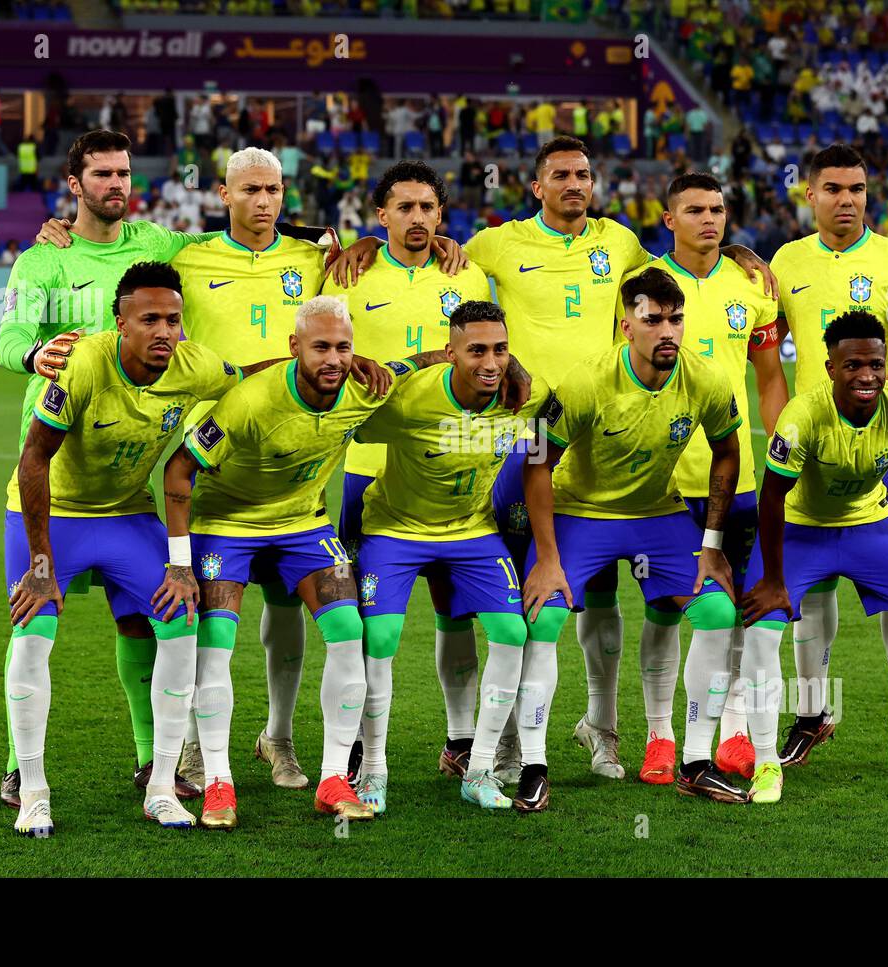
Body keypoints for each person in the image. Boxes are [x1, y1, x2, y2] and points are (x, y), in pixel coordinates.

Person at [330, 136, 776, 783]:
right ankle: (487, 743)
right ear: (536, 186)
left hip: (603, 451)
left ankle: (593, 732)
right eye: (561, 174)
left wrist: (734, 250)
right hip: (513, 448)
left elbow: (677, 262)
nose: (576, 183)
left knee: (572, 599)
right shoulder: (491, 247)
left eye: (585, 174)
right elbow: (428, 246)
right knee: (497, 600)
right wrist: (361, 244)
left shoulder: (620, 245)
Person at [3, 262, 263, 836]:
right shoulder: (82, 364)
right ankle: (33, 790)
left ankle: (162, 785)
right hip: (53, 516)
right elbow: (33, 459)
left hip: (126, 516)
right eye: (149, 319)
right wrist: (41, 565)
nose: (164, 330)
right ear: (120, 322)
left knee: (179, 623)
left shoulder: (193, 365)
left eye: (173, 319)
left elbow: (252, 376)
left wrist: (322, 365)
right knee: (32, 632)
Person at [159, 297, 397, 825]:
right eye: (320, 347)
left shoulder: (364, 387)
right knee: (217, 646)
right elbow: (177, 472)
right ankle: (219, 782)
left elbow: (428, 360)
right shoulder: (249, 403)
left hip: (304, 526)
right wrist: (180, 562)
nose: (334, 359)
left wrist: (508, 364)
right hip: (227, 526)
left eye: (343, 347)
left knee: (348, 632)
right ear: (294, 348)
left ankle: (334, 777)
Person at [518, 267, 746, 810]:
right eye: (653, 320)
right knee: (545, 614)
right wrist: (547, 557)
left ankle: (693, 760)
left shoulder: (706, 379)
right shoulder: (587, 381)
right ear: (627, 327)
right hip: (582, 513)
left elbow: (729, 452)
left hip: (656, 515)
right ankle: (532, 764)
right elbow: (536, 462)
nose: (667, 331)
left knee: (716, 614)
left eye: (676, 319)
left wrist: (711, 543)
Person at [739, 310, 888, 802]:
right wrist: (775, 579)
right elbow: (773, 498)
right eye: (853, 366)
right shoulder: (802, 416)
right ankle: (764, 765)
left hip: (870, 525)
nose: (867, 375)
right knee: (761, 625)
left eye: (876, 364)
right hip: (801, 529)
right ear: (830, 368)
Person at [614, 172, 788, 787]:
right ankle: (660, 735)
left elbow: (769, 378)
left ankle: (735, 728)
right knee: (665, 609)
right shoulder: (640, 288)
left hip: (733, 476)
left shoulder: (751, 284)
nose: (709, 220)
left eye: (717, 209)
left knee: (736, 610)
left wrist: (780, 449)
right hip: (661, 481)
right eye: (694, 210)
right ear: (668, 219)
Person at [168, 146, 333, 792]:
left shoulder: (312, 258)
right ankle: (189, 745)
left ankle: (280, 737)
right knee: (212, 607)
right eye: (251, 190)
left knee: (286, 599)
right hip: (215, 457)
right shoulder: (188, 259)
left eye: (273, 190)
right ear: (222, 195)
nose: (264, 201)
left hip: (297, 456)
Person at [322, 161, 494, 780]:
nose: (417, 218)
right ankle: (361, 747)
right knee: (363, 617)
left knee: (457, 610)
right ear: (381, 216)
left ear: (441, 216)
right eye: (404, 208)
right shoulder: (349, 273)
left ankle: (462, 738)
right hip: (364, 466)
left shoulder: (468, 272)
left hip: (453, 463)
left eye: (428, 208)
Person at [769, 144, 888, 775]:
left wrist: (880, 424)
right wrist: (787, 424)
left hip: (879, 445)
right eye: (833, 188)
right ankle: (812, 714)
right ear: (809, 194)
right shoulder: (786, 261)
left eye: (857, 189)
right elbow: (766, 353)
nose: (847, 199)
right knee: (810, 590)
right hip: (809, 446)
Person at [351, 300, 545, 814]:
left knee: (512, 633)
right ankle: (372, 771)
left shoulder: (525, 395)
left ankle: (479, 769)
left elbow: (555, 431)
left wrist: (517, 368)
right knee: (382, 638)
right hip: (395, 529)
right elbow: (350, 417)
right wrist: (411, 363)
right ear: (450, 352)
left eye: (501, 350)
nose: (491, 362)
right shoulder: (410, 399)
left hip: (472, 531)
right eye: (476, 350)